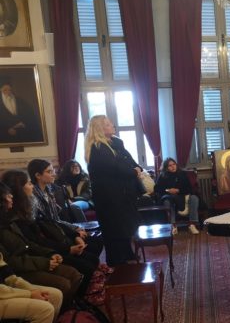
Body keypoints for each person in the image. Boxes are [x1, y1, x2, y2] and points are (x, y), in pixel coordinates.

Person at [2, 169, 100, 297]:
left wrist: (74, 235)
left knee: (92, 252)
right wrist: (62, 251)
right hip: (32, 259)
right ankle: (75, 302)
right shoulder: (14, 218)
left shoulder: (32, 204)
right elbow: (31, 244)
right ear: (19, 189)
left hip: (45, 250)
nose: (32, 186)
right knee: (81, 270)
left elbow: (51, 223)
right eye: (29, 183)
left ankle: (79, 298)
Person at [0, 182, 81, 309]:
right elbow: (9, 262)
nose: (11, 196)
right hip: (17, 271)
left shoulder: (7, 220)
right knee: (63, 284)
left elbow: (28, 244)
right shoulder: (11, 221)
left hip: (32, 260)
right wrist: (44, 262)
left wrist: (50, 254)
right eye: (6, 194)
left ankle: (68, 309)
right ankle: (62, 313)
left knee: (74, 274)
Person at [84, 115, 141, 266]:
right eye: (108, 124)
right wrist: (133, 171)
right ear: (100, 129)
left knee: (125, 228)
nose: (112, 125)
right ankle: (117, 263)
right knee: (115, 230)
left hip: (122, 195)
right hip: (109, 198)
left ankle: (127, 254)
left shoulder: (115, 143)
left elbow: (130, 161)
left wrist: (136, 168)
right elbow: (118, 169)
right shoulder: (98, 148)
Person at [155, 158, 201, 235]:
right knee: (168, 201)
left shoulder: (182, 174)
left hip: (183, 195)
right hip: (169, 197)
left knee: (194, 198)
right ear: (166, 167)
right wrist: (168, 190)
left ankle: (192, 224)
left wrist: (178, 190)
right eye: (170, 165)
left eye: (174, 164)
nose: (173, 167)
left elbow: (189, 188)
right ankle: (173, 225)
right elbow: (157, 189)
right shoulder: (163, 176)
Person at [0, 78, 42, 144]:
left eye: (9, 90)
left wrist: (24, 124)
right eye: (5, 90)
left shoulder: (20, 101)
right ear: (0, 90)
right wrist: (6, 130)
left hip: (22, 135)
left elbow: (31, 116)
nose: (8, 92)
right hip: (5, 138)